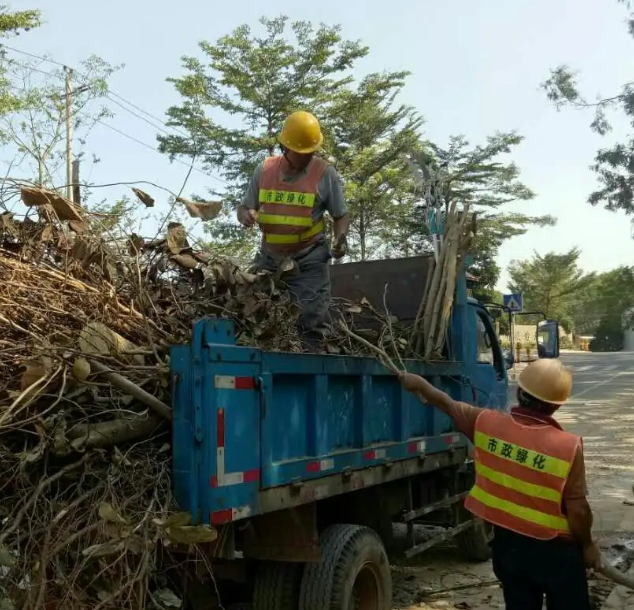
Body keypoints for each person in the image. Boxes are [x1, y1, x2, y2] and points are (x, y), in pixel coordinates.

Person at [398, 359, 598, 610]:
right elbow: (578, 509)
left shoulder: (486, 424)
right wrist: (588, 545)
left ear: (518, 392)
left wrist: (421, 385)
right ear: (557, 405)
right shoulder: (567, 446)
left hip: (509, 548)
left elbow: (446, 404)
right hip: (557, 554)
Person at [235, 110, 350, 351]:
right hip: (269, 260)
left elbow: (340, 215)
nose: (310, 156)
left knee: (309, 320)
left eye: (312, 150)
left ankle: (307, 374)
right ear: (286, 147)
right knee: (255, 314)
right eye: (304, 151)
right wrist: (246, 215)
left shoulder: (324, 173)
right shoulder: (264, 170)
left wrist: (340, 239)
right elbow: (244, 207)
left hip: (308, 261)